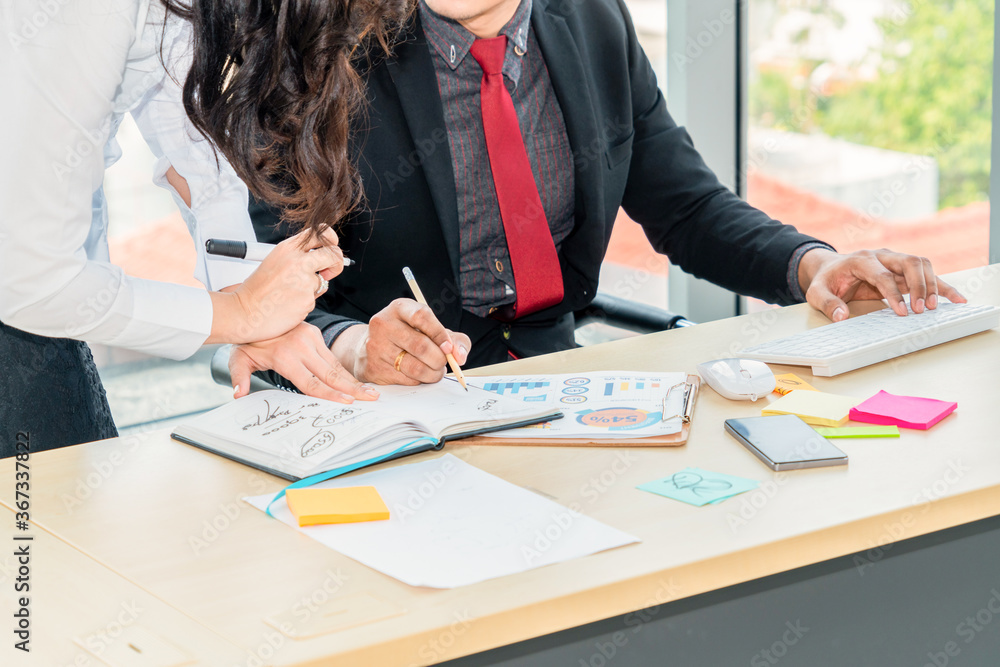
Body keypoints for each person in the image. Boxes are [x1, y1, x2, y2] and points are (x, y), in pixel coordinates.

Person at [248, 0, 965, 390]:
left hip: (560, 387)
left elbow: (687, 207)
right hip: (381, 408)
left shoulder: (592, 21)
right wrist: (353, 348)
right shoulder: (321, 49)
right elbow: (271, 278)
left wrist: (813, 266)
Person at [0, 0, 407, 456]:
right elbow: (34, 282)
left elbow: (196, 161)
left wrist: (256, 309)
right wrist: (238, 314)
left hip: (44, 314)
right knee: (33, 515)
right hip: (26, 309)